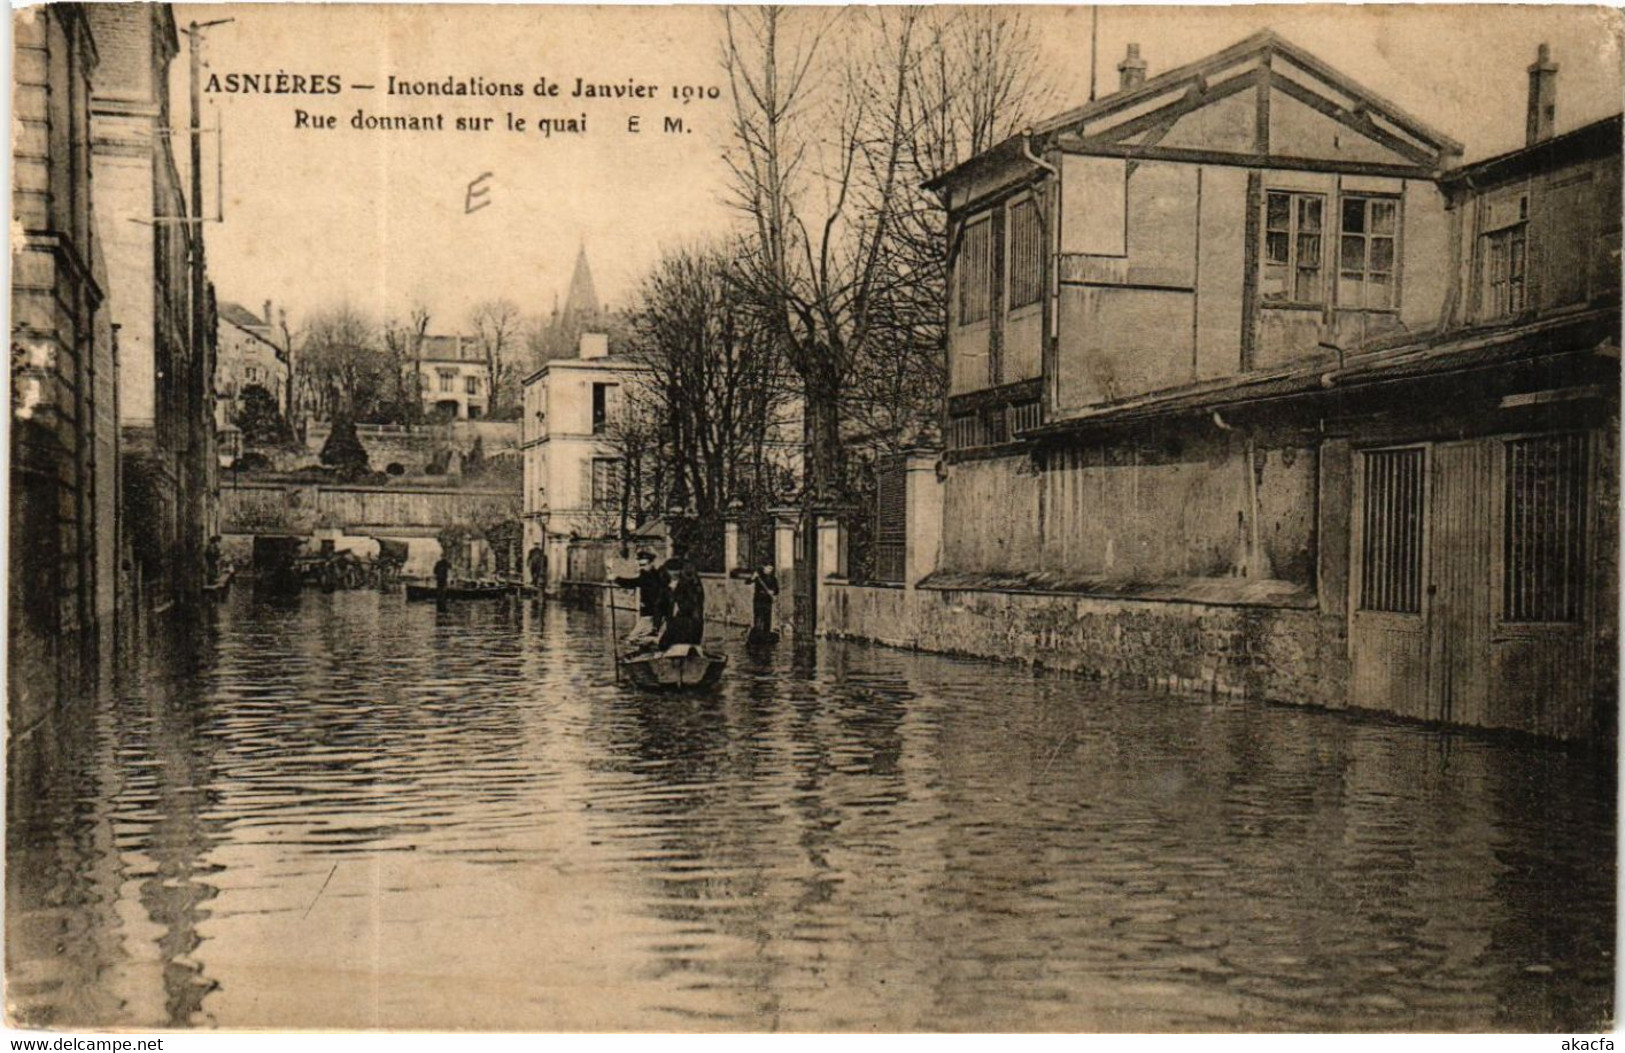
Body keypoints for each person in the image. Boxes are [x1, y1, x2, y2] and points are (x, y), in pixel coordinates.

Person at [611, 550, 670, 651]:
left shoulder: (653, 577)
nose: (641, 567)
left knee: (635, 638)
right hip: (647, 613)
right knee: (639, 638)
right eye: (640, 565)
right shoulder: (645, 575)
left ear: (652, 563)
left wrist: (617, 579)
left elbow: (633, 582)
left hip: (653, 614)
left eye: (644, 564)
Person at [661, 557, 706, 647]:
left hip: (688, 622)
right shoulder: (667, 585)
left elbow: (693, 606)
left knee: (683, 646)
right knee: (664, 645)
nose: (673, 573)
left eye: (676, 570)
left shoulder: (689, 586)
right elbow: (661, 605)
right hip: (674, 621)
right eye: (671, 571)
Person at [749, 562, 779, 643]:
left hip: (767, 601)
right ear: (764, 568)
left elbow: (776, 590)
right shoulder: (758, 577)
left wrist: (772, 592)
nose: (770, 570)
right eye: (768, 568)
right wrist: (753, 577)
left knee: (767, 618)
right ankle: (757, 636)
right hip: (758, 600)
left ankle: (766, 636)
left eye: (771, 569)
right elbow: (747, 582)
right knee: (758, 617)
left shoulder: (773, 579)